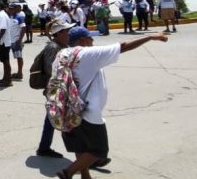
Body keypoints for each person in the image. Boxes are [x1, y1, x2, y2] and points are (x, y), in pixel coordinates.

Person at [55, 28, 168, 179]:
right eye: (90, 38)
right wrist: (150, 37)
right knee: (98, 151)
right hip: (87, 112)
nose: (93, 41)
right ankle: (67, 173)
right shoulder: (87, 53)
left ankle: (85, 175)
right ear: (82, 40)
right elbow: (124, 46)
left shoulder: (62, 54)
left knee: (81, 146)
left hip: (67, 109)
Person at [34, 20, 75, 159]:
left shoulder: (62, 45)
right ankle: (85, 154)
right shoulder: (53, 47)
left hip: (60, 88)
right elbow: (51, 69)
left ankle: (44, 147)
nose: (69, 34)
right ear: (58, 34)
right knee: (67, 118)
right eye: (66, 31)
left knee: (53, 118)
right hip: (56, 89)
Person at [0, 1, 13, 87]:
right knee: (5, 61)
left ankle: (8, 81)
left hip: (3, 43)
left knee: (6, 62)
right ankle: (5, 78)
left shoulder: (1, 15)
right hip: (3, 42)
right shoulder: (0, 14)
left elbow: (3, 29)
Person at [9, 4, 26, 81]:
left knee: (19, 57)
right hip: (10, 41)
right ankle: (18, 73)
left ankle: (20, 73)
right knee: (15, 57)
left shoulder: (19, 17)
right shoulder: (9, 17)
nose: (10, 10)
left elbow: (24, 28)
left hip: (16, 41)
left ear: (16, 9)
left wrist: (19, 40)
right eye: (10, 9)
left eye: (12, 9)